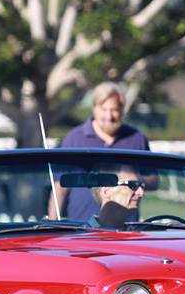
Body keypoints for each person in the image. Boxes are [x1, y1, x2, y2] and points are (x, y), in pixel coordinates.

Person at [53, 82, 150, 221]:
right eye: (104, 109)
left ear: (123, 110)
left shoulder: (136, 139)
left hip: (127, 230)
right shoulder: (74, 138)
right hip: (81, 228)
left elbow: (153, 180)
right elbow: (59, 187)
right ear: (94, 108)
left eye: (114, 109)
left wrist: (130, 176)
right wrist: (51, 225)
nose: (109, 116)